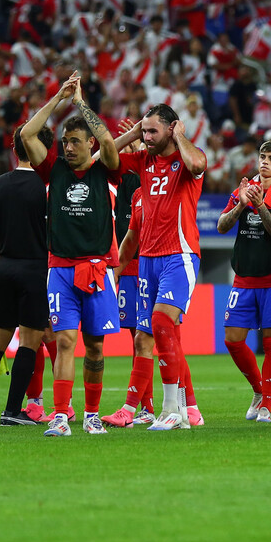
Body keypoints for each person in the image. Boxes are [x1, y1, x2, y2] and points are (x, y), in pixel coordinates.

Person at [21, 72, 126, 437]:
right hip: (61, 269)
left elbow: (110, 141)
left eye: (75, 141)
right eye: (65, 141)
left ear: (89, 143)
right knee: (64, 341)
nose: (68, 147)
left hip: (97, 271)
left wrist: (81, 102)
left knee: (95, 348)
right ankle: (62, 414)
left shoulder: (107, 172)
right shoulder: (53, 170)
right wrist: (59, 99)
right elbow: (26, 136)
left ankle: (92, 414)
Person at [110, 103, 208, 431]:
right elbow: (105, 156)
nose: (147, 137)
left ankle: (171, 410)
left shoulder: (187, 156)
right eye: (145, 130)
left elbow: (197, 164)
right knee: (155, 334)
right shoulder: (143, 162)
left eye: (153, 131)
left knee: (160, 323)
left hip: (179, 256)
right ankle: (184, 408)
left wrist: (180, 137)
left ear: (171, 128)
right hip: (147, 262)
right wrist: (134, 133)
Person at [217, 139, 271, 423]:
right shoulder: (243, 189)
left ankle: (266, 405)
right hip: (244, 276)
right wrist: (241, 205)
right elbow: (221, 226)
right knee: (232, 339)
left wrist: (260, 204)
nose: (264, 161)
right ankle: (258, 390)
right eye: (262, 156)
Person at [0, 123, 54, 426]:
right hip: (36, 268)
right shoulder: (47, 186)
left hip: (5, 268)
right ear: (43, 150)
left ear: (14, 150)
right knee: (29, 342)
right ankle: (11, 411)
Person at [103, 148, 155, 426]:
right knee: (137, 340)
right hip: (126, 271)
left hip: (145, 268)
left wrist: (137, 153)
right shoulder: (115, 186)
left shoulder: (139, 184)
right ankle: (148, 407)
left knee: (150, 338)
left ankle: (182, 404)